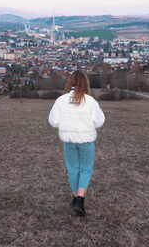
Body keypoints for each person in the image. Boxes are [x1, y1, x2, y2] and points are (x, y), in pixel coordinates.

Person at [48, 70, 105, 216]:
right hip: (86, 141)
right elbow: (99, 122)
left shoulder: (61, 100)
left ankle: (75, 198)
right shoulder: (90, 101)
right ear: (86, 83)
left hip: (68, 140)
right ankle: (80, 199)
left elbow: (53, 121)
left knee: (73, 168)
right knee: (85, 169)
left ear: (70, 82)